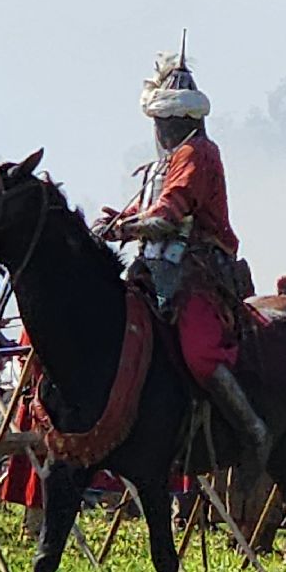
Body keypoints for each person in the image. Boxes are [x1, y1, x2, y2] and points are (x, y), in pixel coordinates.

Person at [108, 49, 270, 478]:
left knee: (200, 353)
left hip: (195, 273)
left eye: (164, 123)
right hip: (152, 270)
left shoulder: (198, 154)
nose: (161, 130)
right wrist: (119, 221)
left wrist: (126, 230)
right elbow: (152, 211)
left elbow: (169, 215)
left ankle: (251, 429)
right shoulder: (162, 163)